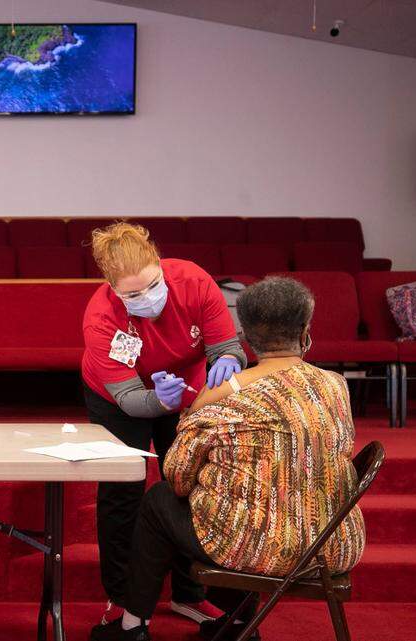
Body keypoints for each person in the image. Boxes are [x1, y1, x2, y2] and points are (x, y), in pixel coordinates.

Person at [113, 276, 367, 641]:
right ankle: (235, 623)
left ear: (243, 335)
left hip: (256, 547)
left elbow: (177, 476)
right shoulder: (336, 386)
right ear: (306, 329)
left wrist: (196, 409)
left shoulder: (226, 397)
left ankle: (132, 627)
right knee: (238, 505)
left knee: (159, 499)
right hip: (331, 546)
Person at [82, 223, 246, 640]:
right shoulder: (101, 318)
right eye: (132, 294)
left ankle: (188, 592)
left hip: (188, 387)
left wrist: (228, 361)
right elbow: (133, 401)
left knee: (189, 486)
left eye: (152, 285)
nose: (146, 298)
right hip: (121, 397)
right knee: (122, 491)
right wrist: (160, 401)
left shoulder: (193, 280)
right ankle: (121, 597)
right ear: (112, 288)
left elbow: (226, 346)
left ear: (160, 265)